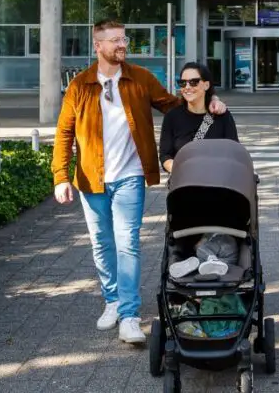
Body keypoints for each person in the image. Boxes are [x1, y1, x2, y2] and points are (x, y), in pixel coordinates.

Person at [51, 20, 227, 344]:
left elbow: (175, 105)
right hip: (91, 178)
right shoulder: (79, 85)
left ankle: (130, 316)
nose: (122, 44)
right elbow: (64, 133)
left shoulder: (140, 79)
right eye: (115, 40)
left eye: (124, 39)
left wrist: (209, 102)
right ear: (98, 46)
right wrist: (61, 176)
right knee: (101, 244)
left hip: (130, 176)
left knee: (127, 243)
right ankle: (112, 300)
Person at [158, 61, 239, 173]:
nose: (187, 87)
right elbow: (165, 155)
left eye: (194, 82)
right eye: (182, 83)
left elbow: (234, 153)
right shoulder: (172, 117)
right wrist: (180, 170)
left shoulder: (222, 116)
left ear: (206, 85)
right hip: (185, 184)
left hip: (218, 183)